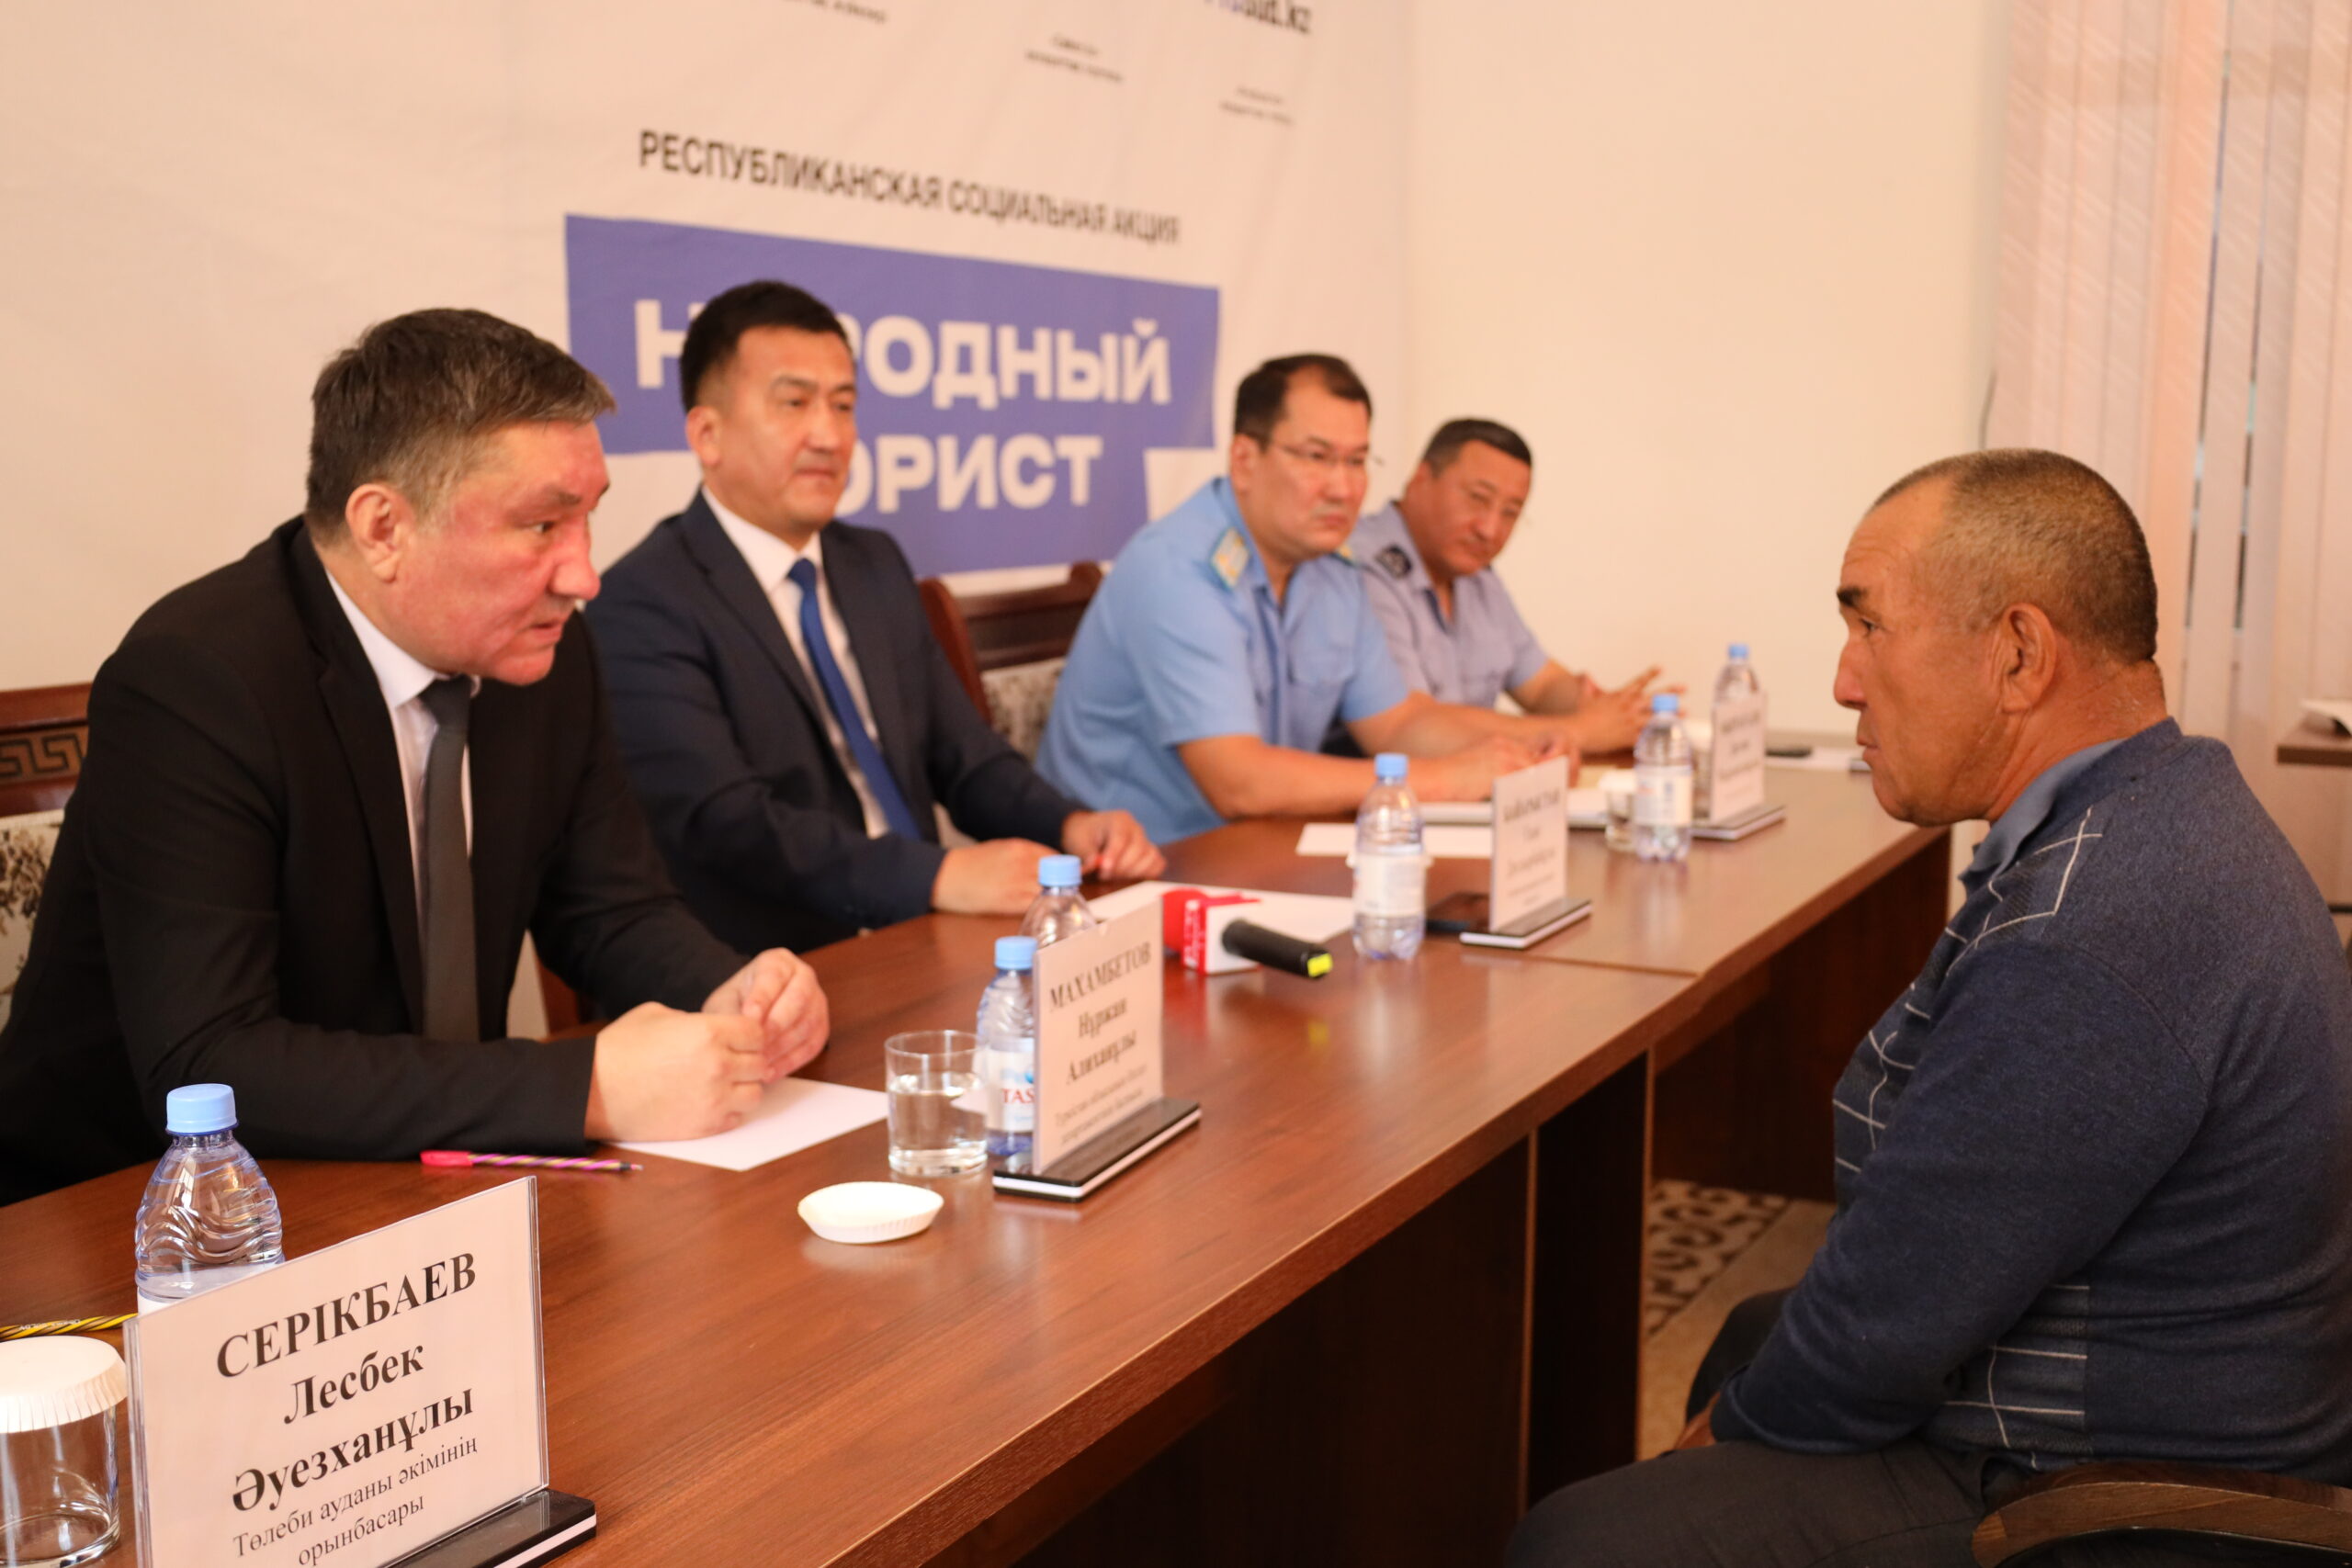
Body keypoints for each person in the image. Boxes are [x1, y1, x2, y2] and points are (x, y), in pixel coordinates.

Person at [1510, 450, 2352, 1566]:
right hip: (2174, 1391)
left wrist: (1708, 1449)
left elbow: (1887, 1322)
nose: (1844, 681)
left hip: (2138, 1488)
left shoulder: (2092, 937)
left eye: (1869, 626)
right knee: (1758, 1334)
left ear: (2017, 654)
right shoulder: (2161, 804)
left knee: (1586, 1540)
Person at [0, 309, 829, 1206]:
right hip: (135, 1211)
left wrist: (731, 989)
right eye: (542, 525)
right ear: (383, 527)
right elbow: (211, 1061)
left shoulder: (544, 651)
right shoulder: (197, 680)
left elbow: (610, 909)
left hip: (422, 1179)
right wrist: (584, 1087)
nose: (583, 575)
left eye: (587, 518)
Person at [588, 281, 1162, 955]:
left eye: (843, 405)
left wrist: (1069, 826)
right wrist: (936, 875)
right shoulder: (644, 600)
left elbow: (964, 755)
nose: (829, 436)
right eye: (794, 403)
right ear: (706, 434)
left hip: (927, 932)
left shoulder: (873, 564)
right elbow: (729, 824)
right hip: (777, 963)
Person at [1038, 355, 1566, 843]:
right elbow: (1237, 780)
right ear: (1245, 460)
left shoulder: (1333, 569)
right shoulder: (1179, 569)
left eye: (1357, 461)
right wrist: (1443, 779)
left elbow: (1396, 723)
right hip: (1123, 870)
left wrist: (1519, 753)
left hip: (1257, 849)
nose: (1343, 488)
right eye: (1317, 457)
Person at [1352, 418, 1663, 753]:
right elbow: (1413, 726)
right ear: (1421, 479)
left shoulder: (1478, 578)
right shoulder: (1361, 567)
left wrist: (1613, 711)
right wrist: (1582, 730)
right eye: (1477, 498)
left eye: (1511, 513)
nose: (1489, 529)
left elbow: (1542, 685)